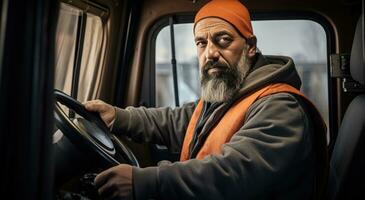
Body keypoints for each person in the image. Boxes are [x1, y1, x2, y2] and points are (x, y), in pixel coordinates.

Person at [84, 0, 328, 199]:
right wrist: (117, 116)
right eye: (202, 43)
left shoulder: (281, 107)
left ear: (250, 46)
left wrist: (145, 181)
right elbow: (176, 121)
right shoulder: (230, 95)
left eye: (223, 40)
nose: (210, 53)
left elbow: (232, 174)